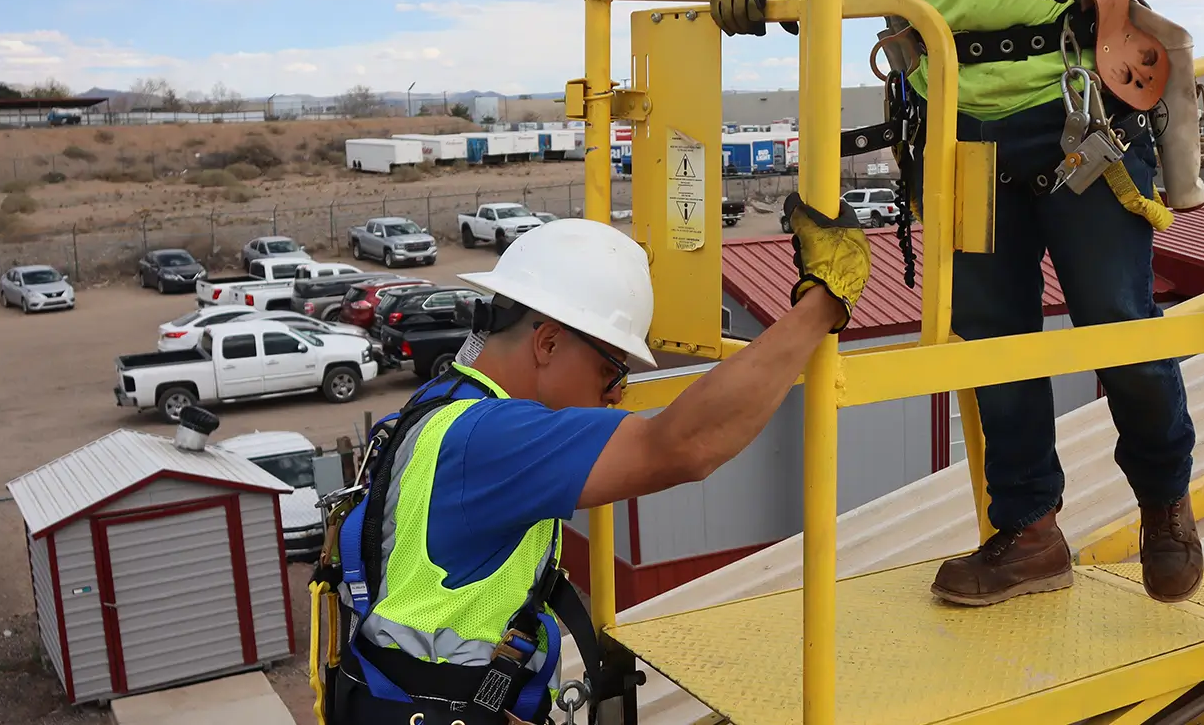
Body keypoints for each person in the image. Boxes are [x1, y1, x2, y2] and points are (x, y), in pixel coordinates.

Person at [708, 0, 1200, 608]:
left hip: (1077, 113)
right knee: (989, 340)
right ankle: (1028, 532)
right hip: (958, 132)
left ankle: (1164, 503)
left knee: (1118, 325)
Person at [330, 204, 870, 724]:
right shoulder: (491, 438)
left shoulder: (442, 401)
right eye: (612, 369)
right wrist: (823, 303)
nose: (616, 394)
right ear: (546, 341)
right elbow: (685, 446)